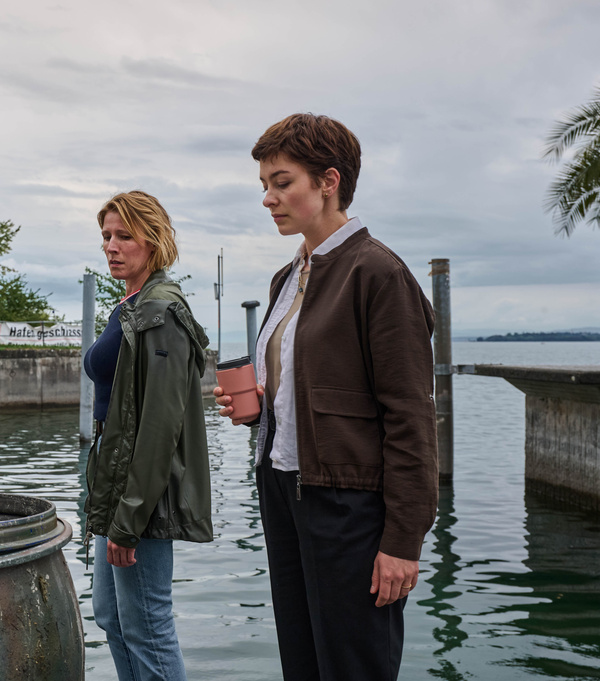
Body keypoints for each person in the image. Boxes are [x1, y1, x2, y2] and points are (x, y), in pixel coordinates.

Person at [215, 113, 438, 681]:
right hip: (285, 489)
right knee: (304, 663)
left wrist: (403, 540)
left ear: (329, 181)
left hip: (349, 506)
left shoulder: (378, 273)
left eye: (282, 181)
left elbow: (411, 417)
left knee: (352, 666)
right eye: (264, 185)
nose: (268, 198)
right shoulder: (288, 276)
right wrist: (264, 408)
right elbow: (320, 390)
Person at [83, 190, 213, 681]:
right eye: (106, 237)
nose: (111, 247)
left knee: (148, 626)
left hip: (142, 495)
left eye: (123, 236)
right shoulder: (133, 305)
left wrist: (129, 518)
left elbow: (161, 425)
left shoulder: (161, 311)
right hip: (113, 478)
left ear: (153, 241)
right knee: (113, 618)